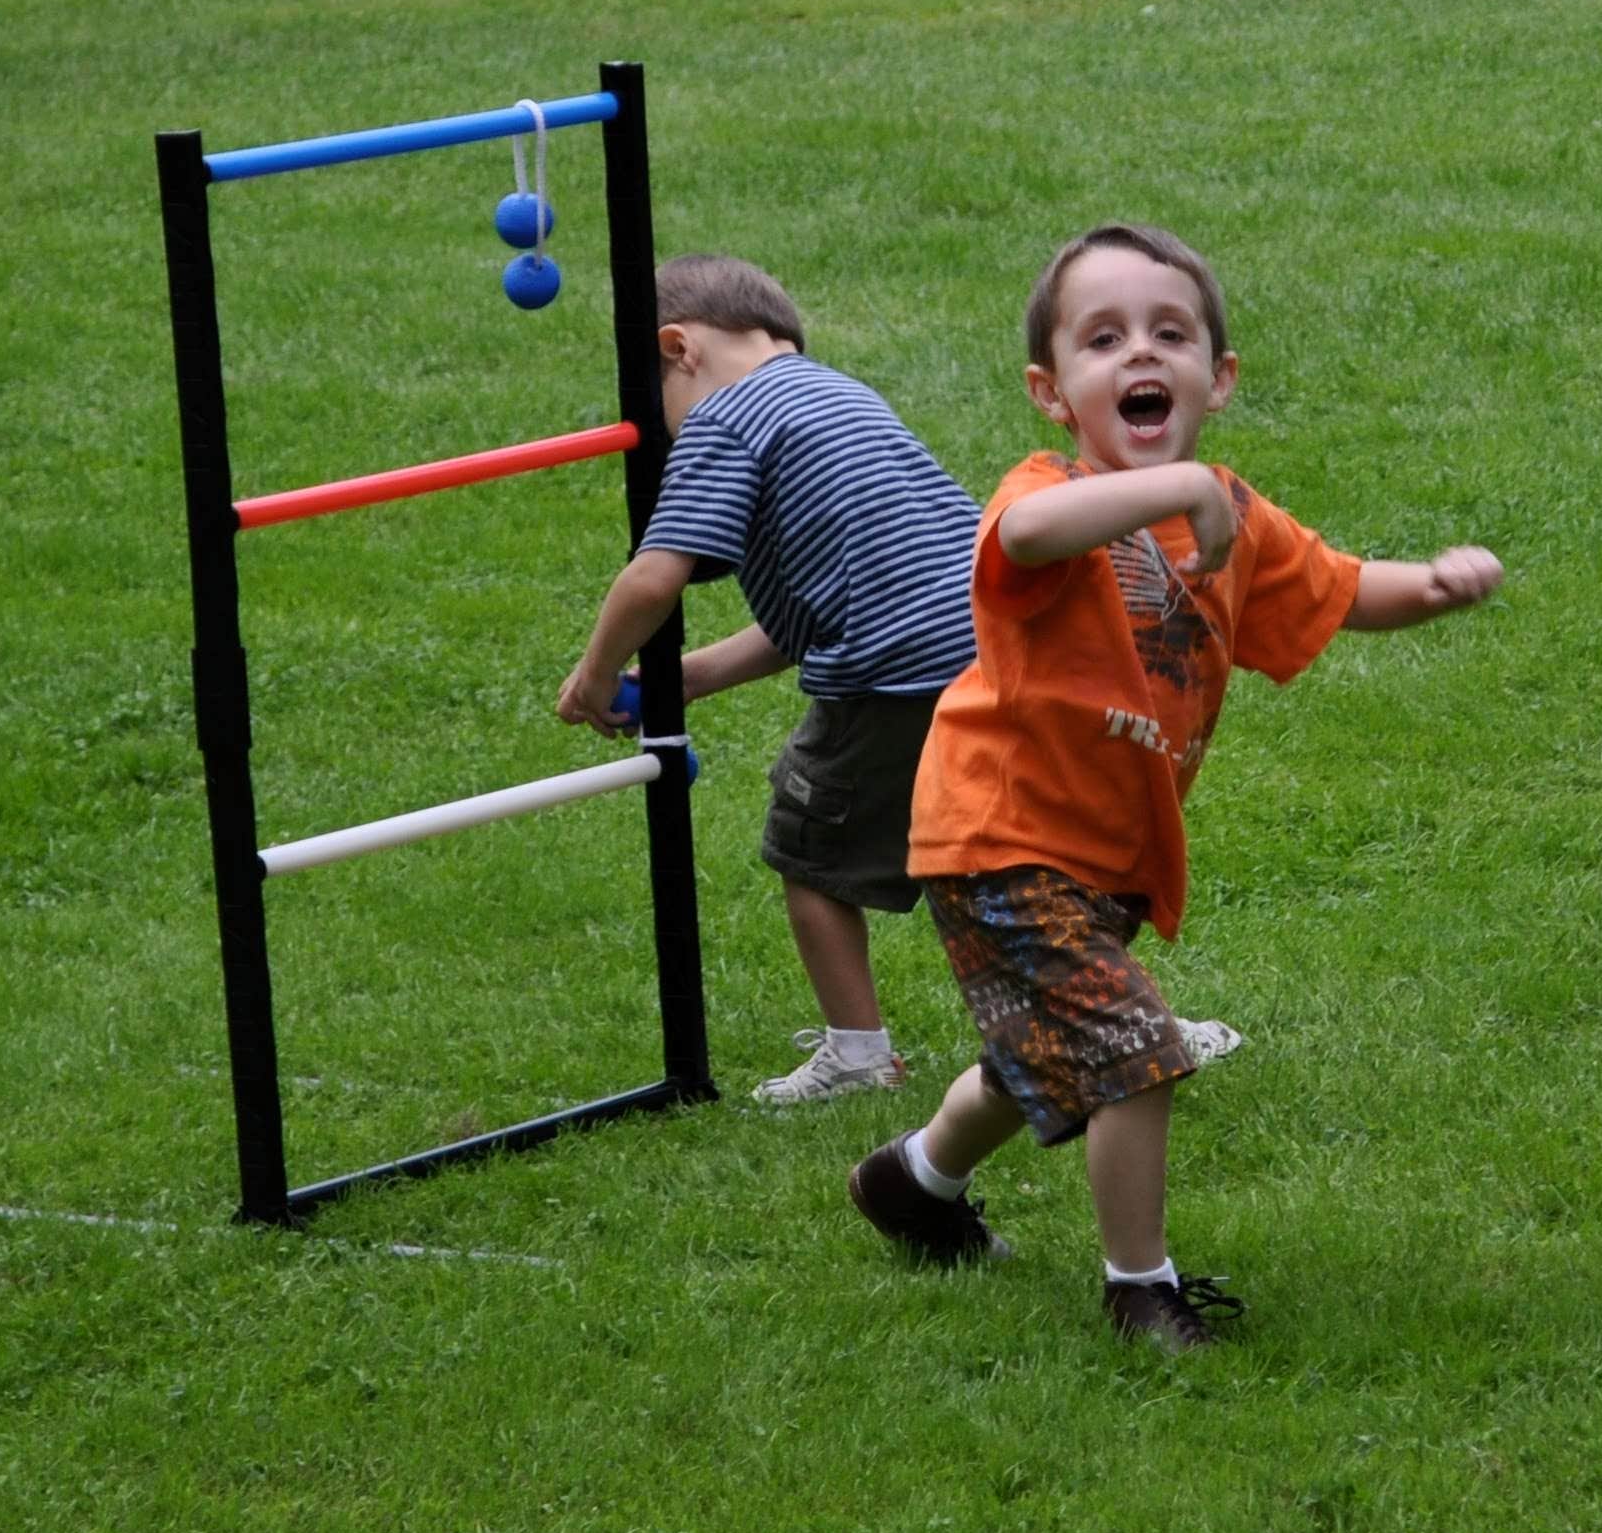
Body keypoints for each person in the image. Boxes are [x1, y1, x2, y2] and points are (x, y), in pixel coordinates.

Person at [850, 224, 1502, 1348]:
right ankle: (1139, 1287)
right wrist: (1185, 483)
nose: (1139, 354)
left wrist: (1432, 586)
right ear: (1052, 392)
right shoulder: (1050, 487)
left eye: (1168, 333)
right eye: (1102, 339)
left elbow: (1339, 588)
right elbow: (1023, 533)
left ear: (1219, 375)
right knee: (1136, 1049)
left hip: (1102, 850)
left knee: (1042, 1053)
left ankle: (913, 1182)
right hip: (999, 834)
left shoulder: (1235, 522)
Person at [554, 256, 984, 1108]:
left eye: (658, 411)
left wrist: (593, 676)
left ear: (678, 349)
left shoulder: (726, 418)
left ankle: (858, 1055)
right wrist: (678, 680)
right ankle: (1109, 1016)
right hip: (995, 649)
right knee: (1000, 857)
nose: (671, 438)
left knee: (810, 856)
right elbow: (804, 620)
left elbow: (652, 578)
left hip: (895, 674)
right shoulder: (836, 396)